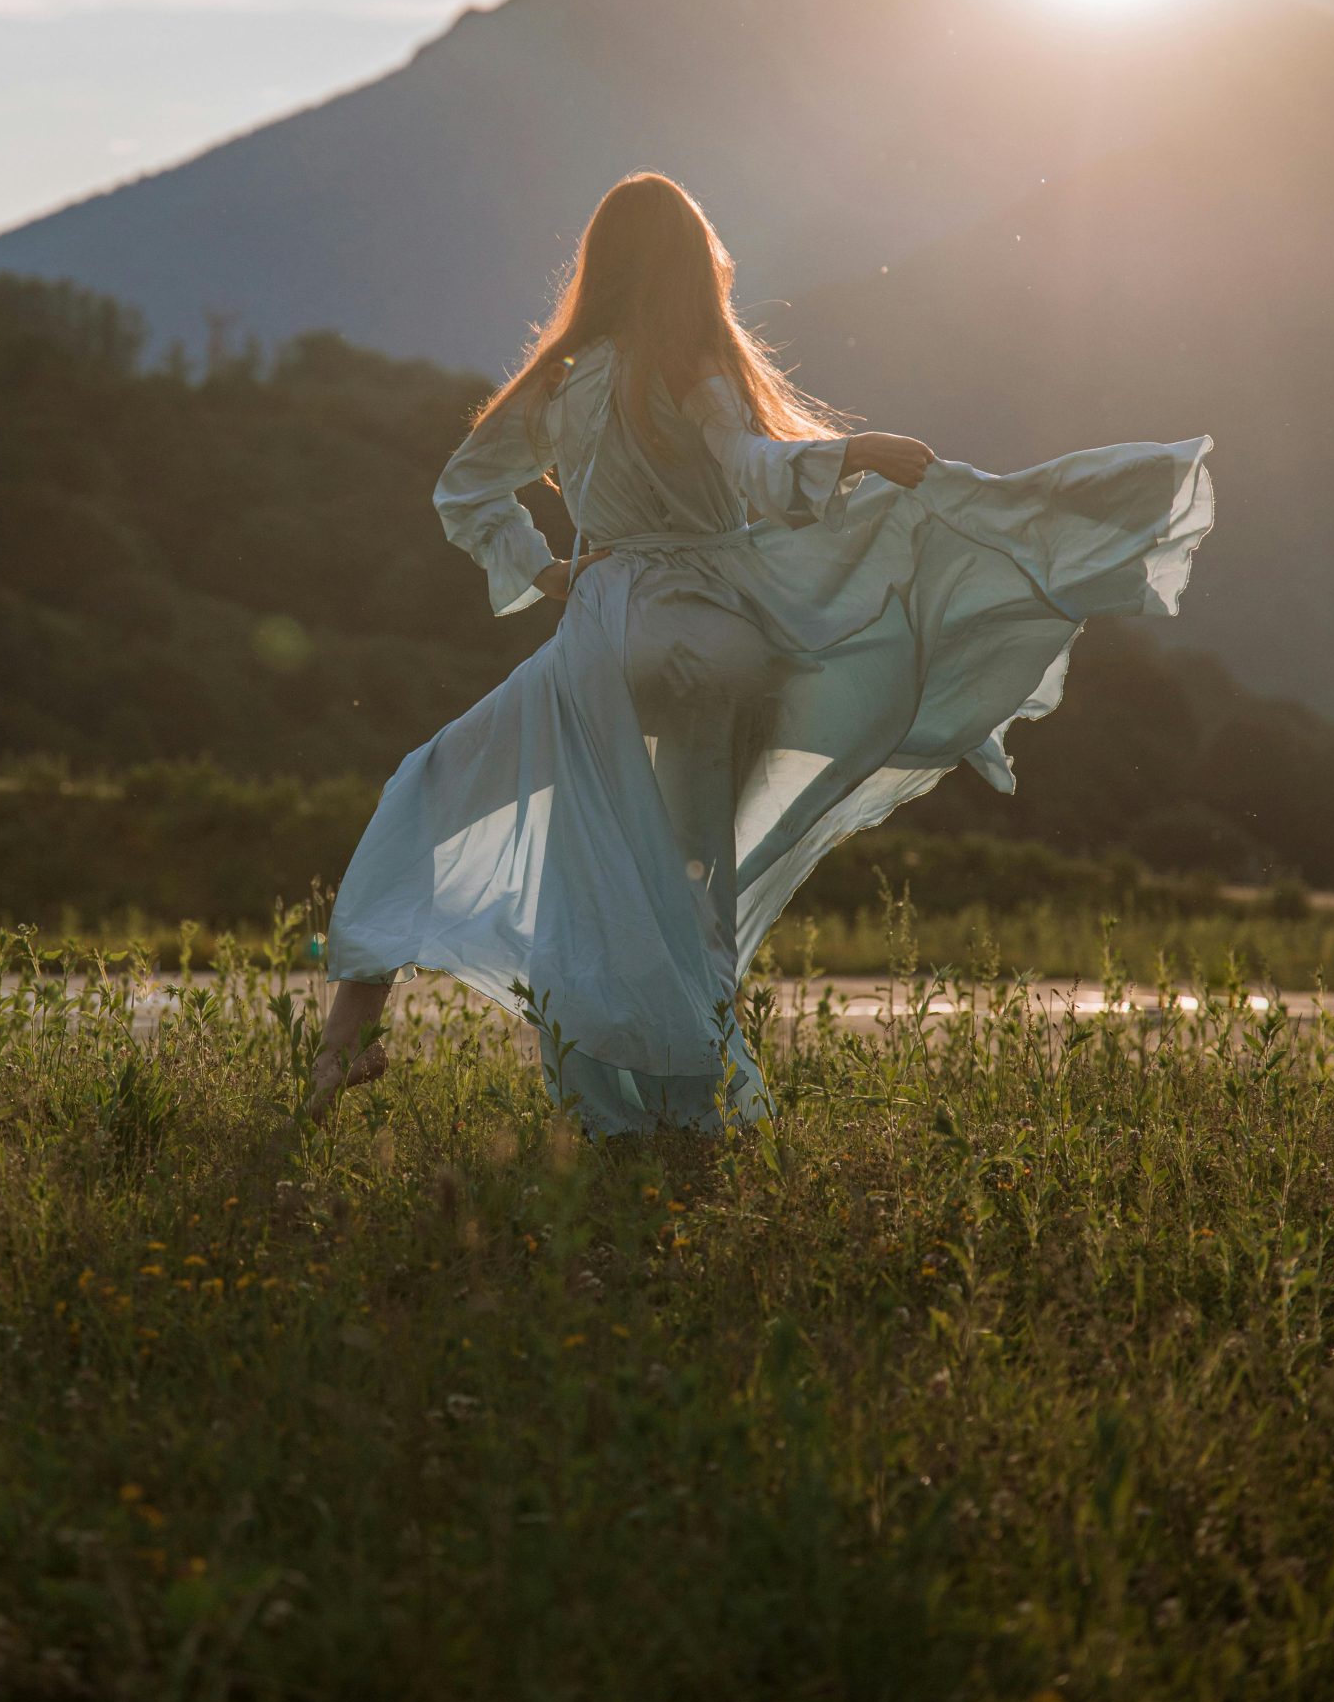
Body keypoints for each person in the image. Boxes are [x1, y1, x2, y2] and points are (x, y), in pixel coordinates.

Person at [313, 173, 1212, 1133]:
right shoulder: (694, 367)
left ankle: (346, 1047)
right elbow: (751, 467)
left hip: (614, 633)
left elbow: (466, 493)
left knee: (432, 790)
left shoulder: (563, 380)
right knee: (696, 877)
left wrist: (547, 574)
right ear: (695, 267)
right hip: (727, 639)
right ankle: (693, 1110)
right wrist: (850, 455)